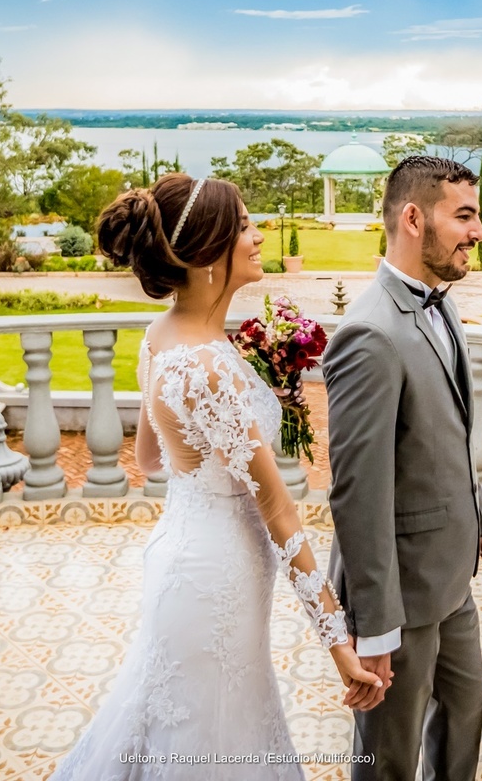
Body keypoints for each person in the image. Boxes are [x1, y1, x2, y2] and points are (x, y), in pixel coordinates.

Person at [53, 174, 382, 779]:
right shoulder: (210, 368)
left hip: (184, 557)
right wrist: (341, 648)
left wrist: (238, 418)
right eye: (247, 227)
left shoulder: (164, 339)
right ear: (207, 253)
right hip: (218, 582)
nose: (259, 238)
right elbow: (281, 514)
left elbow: (153, 460)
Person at [323, 156, 482, 781]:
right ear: (412, 218)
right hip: (399, 596)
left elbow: (450, 440)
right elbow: (357, 494)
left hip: (451, 574)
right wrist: (374, 631)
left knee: (467, 704)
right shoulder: (370, 335)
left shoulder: (443, 304)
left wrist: (479, 522)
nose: (478, 230)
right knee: (390, 758)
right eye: (464, 215)